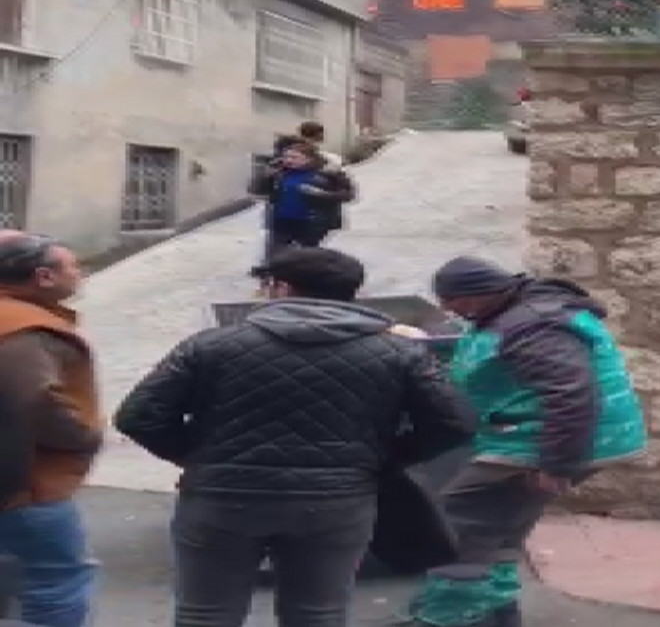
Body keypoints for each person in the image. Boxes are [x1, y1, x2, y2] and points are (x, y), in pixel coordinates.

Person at [114, 247, 474, 627]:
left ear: (281, 288)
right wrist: (381, 459)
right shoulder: (399, 353)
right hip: (337, 500)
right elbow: (455, 422)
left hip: (223, 497)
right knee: (317, 613)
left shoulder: (210, 345)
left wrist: (198, 456)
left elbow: (139, 416)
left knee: (207, 613)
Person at [406, 257, 647, 627]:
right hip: (565, 435)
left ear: (479, 293)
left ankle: (452, 614)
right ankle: (497, 610)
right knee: (503, 522)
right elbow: (492, 355)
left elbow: (570, 393)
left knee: (457, 519)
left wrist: (557, 464)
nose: (447, 308)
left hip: (543, 440)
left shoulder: (534, 325)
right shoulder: (518, 312)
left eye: (451, 299)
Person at [0, 231, 102, 627]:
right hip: (27, 482)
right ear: (43, 276)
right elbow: (36, 402)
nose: (80, 273)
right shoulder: (22, 329)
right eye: (74, 266)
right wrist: (83, 435)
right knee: (58, 581)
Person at [250, 141, 354, 264]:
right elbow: (256, 190)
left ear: (308, 159)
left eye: (294, 157)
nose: (288, 160)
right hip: (281, 221)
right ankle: (273, 277)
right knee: (273, 257)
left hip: (311, 223)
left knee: (303, 258)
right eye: (286, 157)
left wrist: (321, 194)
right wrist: (265, 176)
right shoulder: (280, 172)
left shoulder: (329, 173)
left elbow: (348, 195)